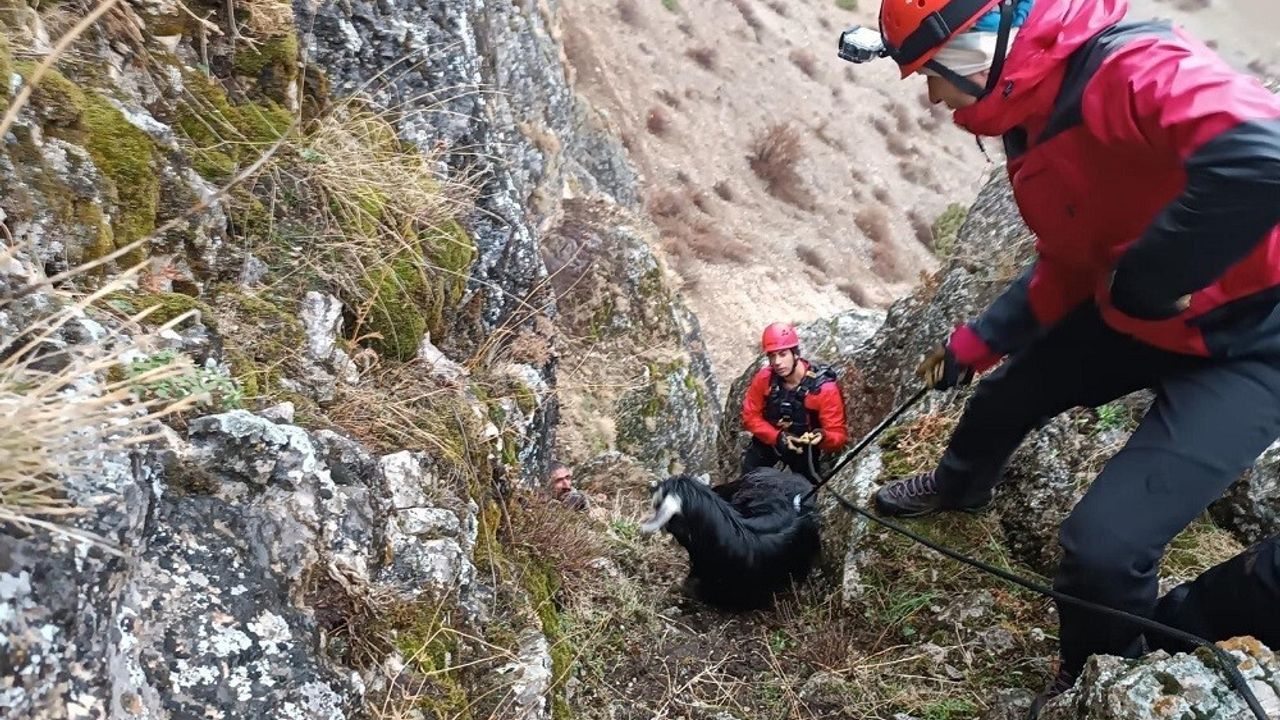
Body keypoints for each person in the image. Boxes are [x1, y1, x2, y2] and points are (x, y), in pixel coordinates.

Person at [847, 0, 1280, 714]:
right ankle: (960, 486)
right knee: (1000, 399)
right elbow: (1070, 258)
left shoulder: (1129, 68)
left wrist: (1153, 276)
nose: (932, 96)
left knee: (1100, 553)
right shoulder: (1032, 113)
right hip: (1134, 316)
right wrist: (980, 342)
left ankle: (1101, 677)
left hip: (1249, 342)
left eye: (935, 71)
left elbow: (1261, 153)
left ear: (987, 43)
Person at [741, 322, 849, 479]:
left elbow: (838, 435)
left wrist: (823, 437)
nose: (777, 362)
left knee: (804, 492)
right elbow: (749, 417)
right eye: (772, 355)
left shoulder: (823, 389)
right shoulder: (765, 378)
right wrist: (777, 437)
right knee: (749, 481)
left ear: (795, 354)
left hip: (804, 449)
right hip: (769, 441)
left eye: (783, 354)